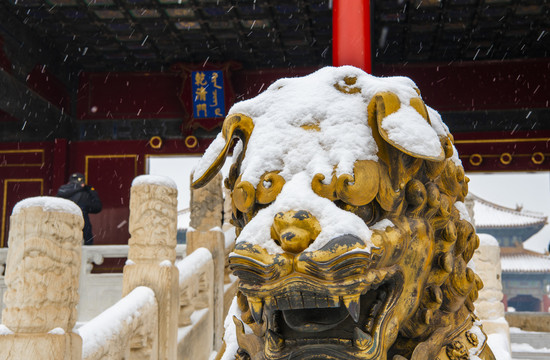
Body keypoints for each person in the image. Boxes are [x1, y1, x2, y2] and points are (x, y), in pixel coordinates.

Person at [57, 172, 102, 245]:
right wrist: (92, 192)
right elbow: (97, 207)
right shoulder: (85, 193)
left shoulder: (61, 191)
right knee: (86, 246)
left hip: (62, 225)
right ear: (82, 183)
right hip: (81, 225)